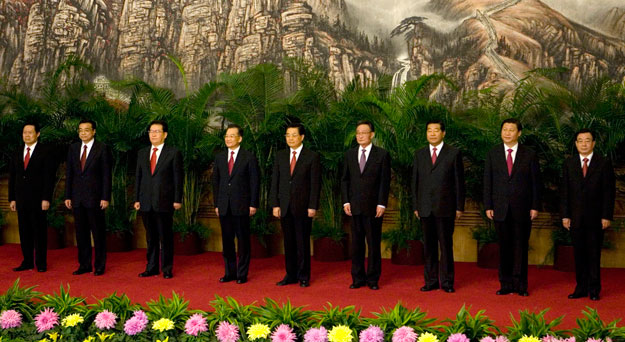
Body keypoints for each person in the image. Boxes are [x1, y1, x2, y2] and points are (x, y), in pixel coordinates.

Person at [483, 118, 541, 296]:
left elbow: (536, 183)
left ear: (519, 133)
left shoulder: (529, 154)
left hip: (523, 208)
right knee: (504, 247)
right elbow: (488, 182)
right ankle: (505, 284)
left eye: (511, 130)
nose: (507, 133)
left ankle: (520, 285)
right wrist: (488, 205)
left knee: (520, 247)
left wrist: (535, 206)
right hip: (499, 208)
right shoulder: (493, 153)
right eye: (504, 129)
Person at [560, 129, 615, 301]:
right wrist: (565, 215)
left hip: (596, 217)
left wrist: (606, 216)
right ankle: (580, 288)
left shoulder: (603, 163)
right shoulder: (569, 163)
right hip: (575, 217)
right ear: (576, 144)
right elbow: (564, 192)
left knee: (593, 254)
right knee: (579, 254)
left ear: (593, 143)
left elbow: (609, 191)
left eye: (587, 140)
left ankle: (594, 289)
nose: (584, 144)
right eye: (580, 141)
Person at [412, 119, 465, 293]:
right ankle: (431, 281)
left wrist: (459, 207)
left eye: (436, 130)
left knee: (445, 246)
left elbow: (459, 182)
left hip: (446, 208)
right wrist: (416, 205)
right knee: (429, 247)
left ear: (443, 133)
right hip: (425, 208)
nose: (432, 133)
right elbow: (415, 183)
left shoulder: (453, 153)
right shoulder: (419, 154)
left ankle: (448, 282)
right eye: (429, 130)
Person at [270, 122, 321, 288]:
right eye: (287, 135)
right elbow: (275, 182)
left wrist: (313, 206)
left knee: (302, 243)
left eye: (293, 135)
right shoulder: (280, 156)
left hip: (303, 206)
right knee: (289, 243)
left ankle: (304, 276)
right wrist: (275, 204)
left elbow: (315, 184)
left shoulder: (311, 156)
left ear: (302, 137)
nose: (290, 138)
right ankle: (290, 275)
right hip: (284, 206)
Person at [341, 120, 391, 290]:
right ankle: (357, 278)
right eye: (358, 133)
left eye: (364, 132)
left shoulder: (382, 155)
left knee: (373, 244)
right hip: (354, 206)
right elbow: (345, 180)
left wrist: (382, 203)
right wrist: (346, 201)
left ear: (372, 134)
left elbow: (385, 182)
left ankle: (373, 279)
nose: (360, 135)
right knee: (356, 244)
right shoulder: (349, 154)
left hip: (373, 207)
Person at [134, 120, 183, 279]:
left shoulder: (173, 153)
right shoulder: (142, 153)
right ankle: (152, 267)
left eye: (157, 131)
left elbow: (178, 178)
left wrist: (177, 199)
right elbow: (138, 178)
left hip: (165, 201)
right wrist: (136, 198)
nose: (153, 134)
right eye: (151, 131)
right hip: (146, 201)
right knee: (150, 237)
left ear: (165, 134)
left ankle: (167, 268)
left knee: (165, 236)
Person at [212, 124, 260, 284]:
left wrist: (253, 204)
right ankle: (229, 272)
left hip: (242, 205)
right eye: (226, 136)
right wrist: (217, 204)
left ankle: (242, 273)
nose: (228, 138)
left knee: (243, 241)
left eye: (232, 136)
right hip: (224, 206)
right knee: (227, 242)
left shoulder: (249, 157)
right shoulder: (219, 157)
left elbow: (254, 182)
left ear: (240, 138)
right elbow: (216, 182)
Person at [65, 119, 112, 276]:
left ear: (94, 131)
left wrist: (105, 197)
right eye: (80, 130)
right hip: (77, 198)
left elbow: (106, 175)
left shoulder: (102, 148)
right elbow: (70, 173)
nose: (83, 133)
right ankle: (84, 265)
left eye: (86, 130)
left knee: (98, 233)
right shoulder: (73, 148)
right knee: (81, 233)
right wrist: (68, 195)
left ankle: (99, 265)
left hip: (96, 198)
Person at [9, 122, 55, 272]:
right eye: (24, 132)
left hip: (38, 199)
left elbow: (49, 177)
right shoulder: (17, 151)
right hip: (21, 199)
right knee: (24, 232)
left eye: (30, 132)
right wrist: (12, 198)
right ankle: (27, 261)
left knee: (39, 232)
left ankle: (41, 263)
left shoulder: (45, 152)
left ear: (38, 134)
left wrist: (46, 198)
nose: (27, 135)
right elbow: (13, 176)